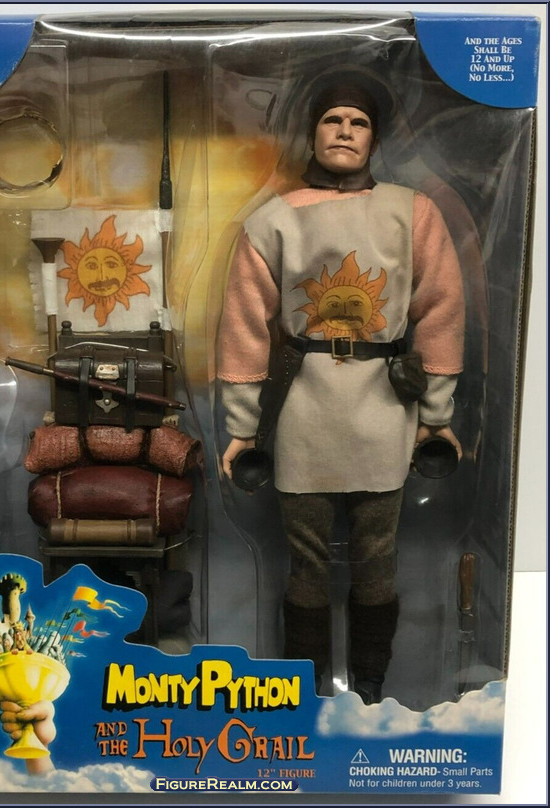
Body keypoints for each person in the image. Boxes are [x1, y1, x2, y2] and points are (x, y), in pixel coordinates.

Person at [217, 73, 464, 704]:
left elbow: (440, 312)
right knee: (307, 562)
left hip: (385, 409)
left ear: (375, 138)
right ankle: (308, 692)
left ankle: (371, 685)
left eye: (358, 123)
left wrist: (436, 416)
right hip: (304, 409)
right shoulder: (273, 220)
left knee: (378, 556)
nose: (345, 132)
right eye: (333, 120)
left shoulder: (412, 212)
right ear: (312, 132)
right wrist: (243, 428)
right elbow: (244, 326)